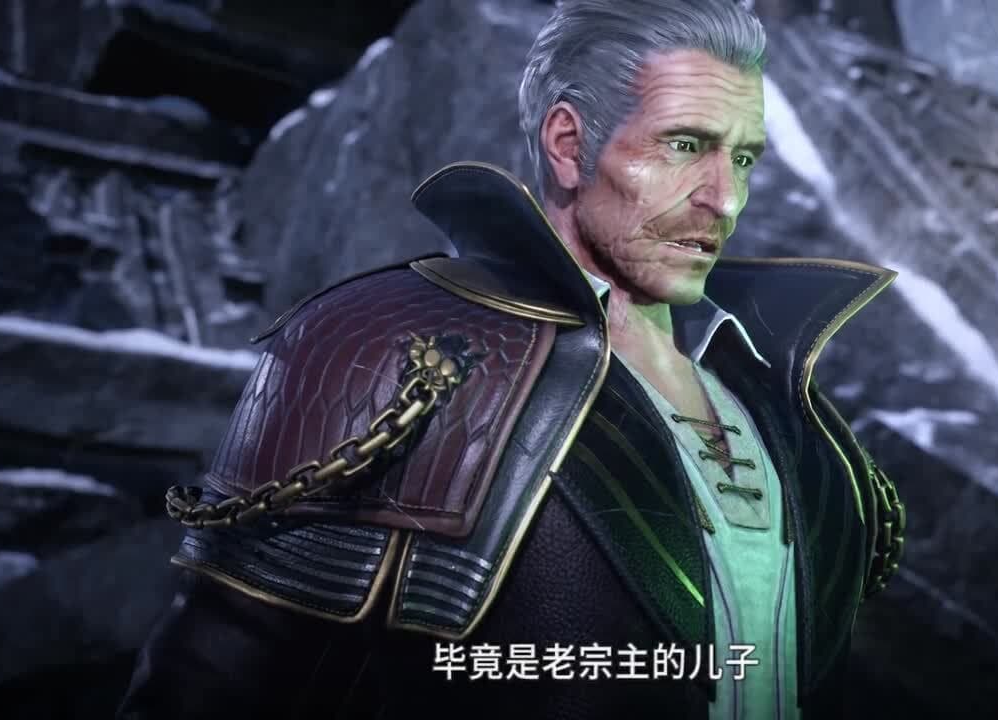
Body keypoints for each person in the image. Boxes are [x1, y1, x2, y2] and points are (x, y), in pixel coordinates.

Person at [118, 1, 905, 717]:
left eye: (744, 159)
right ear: (568, 143)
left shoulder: (778, 395)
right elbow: (214, 681)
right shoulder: (388, 342)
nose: (723, 198)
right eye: (684, 145)